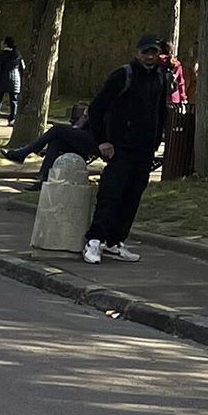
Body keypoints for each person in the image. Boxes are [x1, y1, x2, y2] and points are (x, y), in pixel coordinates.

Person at [82, 35, 171, 264]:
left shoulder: (161, 77)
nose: (150, 57)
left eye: (154, 52)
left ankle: (115, 241)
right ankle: (94, 240)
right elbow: (97, 108)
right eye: (145, 52)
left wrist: (157, 140)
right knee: (111, 194)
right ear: (137, 52)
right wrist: (103, 140)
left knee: (132, 196)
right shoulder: (124, 75)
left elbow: (161, 111)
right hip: (120, 146)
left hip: (144, 148)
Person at [2, 116, 100, 184]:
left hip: (98, 140)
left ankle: (24, 152)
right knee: (56, 141)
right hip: (88, 135)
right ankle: (44, 180)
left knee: (57, 129)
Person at [0, 37, 26, 124]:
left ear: (5, 44)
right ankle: (12, 119)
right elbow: (22, 67)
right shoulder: (18, 54)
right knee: (14, 100)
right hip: (15, 79)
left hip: (2, 79)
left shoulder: (1, 55)